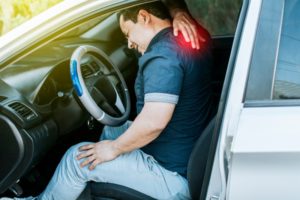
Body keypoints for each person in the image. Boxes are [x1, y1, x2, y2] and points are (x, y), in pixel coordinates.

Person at [2, 2, 212, 200]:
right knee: (113, 129)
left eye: (128, 33)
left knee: (76, 160)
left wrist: (112, 150)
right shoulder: (187, 39)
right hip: (185, 154)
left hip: (172, 177)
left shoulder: (162, 57)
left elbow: (153, 122)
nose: (129, 43)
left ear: (143, 16)